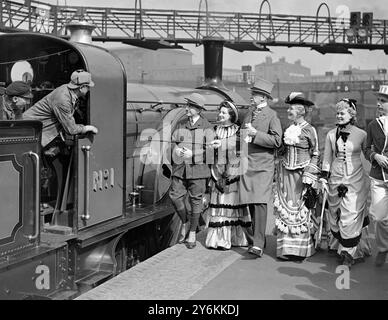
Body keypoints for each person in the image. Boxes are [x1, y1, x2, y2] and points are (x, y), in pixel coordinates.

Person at [321, 98, 372, 268]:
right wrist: (323, 176)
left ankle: (350, 253)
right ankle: (340, 247)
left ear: (351, 114)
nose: (339, 116)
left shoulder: (362, 134)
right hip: (335, 177)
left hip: (355, 177)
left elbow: (367, 155)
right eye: (337, 113)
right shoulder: (330, 134)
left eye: (342, 113)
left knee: (351, 213)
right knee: (336, 213)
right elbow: (327, 157)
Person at [273, 92, 320, 261]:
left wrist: (309, 173)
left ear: (301, 111)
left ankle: (300, 250)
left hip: (302, 175)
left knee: (301, 210)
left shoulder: (310, 129)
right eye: (289, 108)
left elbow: (315, 153)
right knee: (285, 210)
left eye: (291, 108)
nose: (288, 110)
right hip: (285, 174)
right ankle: (286, 250)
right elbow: (282, 151)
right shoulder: (288, 129)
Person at [239, 78, 282, 257]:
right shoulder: (249, 114)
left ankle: (257, 243)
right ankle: (257, 239)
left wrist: (256, 134)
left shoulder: (272, 116)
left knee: (259, 203)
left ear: (263, 97)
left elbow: (277, 141)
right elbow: (241, 135)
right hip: (247, 164)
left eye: (254, 94)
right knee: (249, 202)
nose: (251, 97)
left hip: (263, 165)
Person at [169, 92, 214, 249]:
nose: (186, 108)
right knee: (175, 196)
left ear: (198, 109)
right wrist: (176, 150)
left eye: (189, 106)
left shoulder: (207, 127)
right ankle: (186, 221)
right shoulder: (181, 124)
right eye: (186, 105)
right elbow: (173, 142)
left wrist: (192, 154)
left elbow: (210, 151)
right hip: (180, 168)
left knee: (196, 201)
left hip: (198, 170)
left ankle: (193, 233)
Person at [205, 100, 251, 250]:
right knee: (218, 204)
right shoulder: (213, 130)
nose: (220, 114)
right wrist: (210, 148)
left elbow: (243, 150)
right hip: (217, 171)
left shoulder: (239, 131)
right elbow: (209, 154)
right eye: (220, 112)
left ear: (231, 115)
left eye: (224, 112)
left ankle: (233, 238)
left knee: (231, 205)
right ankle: (217, 239)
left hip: (233, 172)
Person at [23, 69, 98, 150]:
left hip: (34, 132)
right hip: (27, 133)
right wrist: (86, 128)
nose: (89, 89)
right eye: (88, 87)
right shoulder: (63, 100)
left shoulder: (66, 89)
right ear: (82, 87)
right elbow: (71, 129)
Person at [365, 85, 388, 267]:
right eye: (378, 101)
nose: (379, 104)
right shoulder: (373, 125)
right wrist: (375, 156)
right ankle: (383, 248)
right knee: (379, 217)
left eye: (383, 101)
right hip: (378, 178)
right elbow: (366, 149)